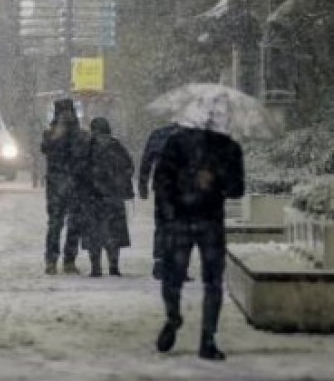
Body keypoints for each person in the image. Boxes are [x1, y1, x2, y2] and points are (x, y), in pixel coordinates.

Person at [151, 103, 245, 361]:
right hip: (198, 221)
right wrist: (196, 180)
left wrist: (214, 177)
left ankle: (190, 327)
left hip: (196, 221)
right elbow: (162, 182)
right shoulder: (219, 148)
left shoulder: (183, 144)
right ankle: (198, 333)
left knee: (187, 279)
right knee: (197, 280)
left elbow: (161, 182)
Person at [79, 117, 135, 277]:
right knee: (114, 232)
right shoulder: (115, 145)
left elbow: (79, 170)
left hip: (92, 198)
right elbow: (129, 167)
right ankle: (114, 266)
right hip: (114, 197)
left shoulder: (87, 146)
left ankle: (96, 268)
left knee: (93, 233)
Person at [41, 98, 90, 274]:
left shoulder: (53, 134)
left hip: (61, 185)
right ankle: (63, 261)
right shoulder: (76, 135)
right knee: (67, 224)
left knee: (59, 224)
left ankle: (55, 261)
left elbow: (47, 149)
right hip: (70, 184)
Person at [138, 121, 183, 280]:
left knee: (162, 226)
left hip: (163, 186)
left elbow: (146, 160)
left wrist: (142, 184)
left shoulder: (158, 134)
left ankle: (159, 264)